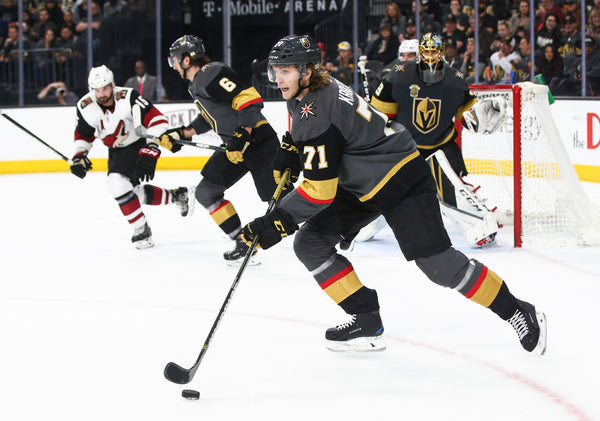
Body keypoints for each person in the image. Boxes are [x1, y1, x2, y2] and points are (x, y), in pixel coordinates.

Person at [241, 34, 547, 356]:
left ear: (306, 70)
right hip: (364, 180)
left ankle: (517, 310)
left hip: (400, 176)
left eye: (285, 71)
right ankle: (366, 321)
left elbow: (320, 192)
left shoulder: (316, 106)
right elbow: (329, 136)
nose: (277, 78)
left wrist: (277, 222)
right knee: (311, 243)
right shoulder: (315, 89)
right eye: (275, 70)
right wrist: (293, 148)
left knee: (438, 265)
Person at [159, 34, 288, 265]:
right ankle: (243, 243)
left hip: (259, 143)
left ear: (187, 59)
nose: (174, 65)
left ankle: (342, 222)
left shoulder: (211, 72)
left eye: (175, 60)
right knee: (206, 192)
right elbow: (211, 116)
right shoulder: (197, 83)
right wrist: (182, 133)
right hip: (235, 148)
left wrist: (242, 134)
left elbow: (248, 98)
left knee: (281, 202)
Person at [371, 32, 503, 248]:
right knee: (386, 191)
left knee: (451, 187)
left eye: (435, 51)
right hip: (406, 147)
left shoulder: (455, 79)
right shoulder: (400, 75)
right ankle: (356, 226)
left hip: (441, 146)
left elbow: (469, 116)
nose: (430, 56)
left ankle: (480, 227)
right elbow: (380, 114)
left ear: (442, 52)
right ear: (420, 53)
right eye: (427, 51)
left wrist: (484, 114)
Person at [69, 65, 193, 249]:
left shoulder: (128, 97)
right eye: (97, 90)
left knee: (117, 184)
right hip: (117, 151)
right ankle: (177, 196)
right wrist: (80, 155)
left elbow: (157, 120)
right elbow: (84, 135)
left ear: (112, 85)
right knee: (134, 193)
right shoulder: (86, 106)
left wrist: (151, 147)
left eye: (105, 88)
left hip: (138, 144)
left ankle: (141, 230)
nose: (101, 94)